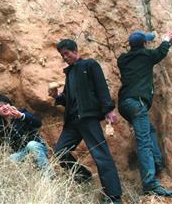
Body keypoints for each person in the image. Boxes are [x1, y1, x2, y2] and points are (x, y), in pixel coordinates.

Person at [49, 39, 122, 204]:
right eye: (62, 55)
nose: (65, 57)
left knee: (101, 156)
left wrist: (108, 109)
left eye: (67, 53)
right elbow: (68, 99)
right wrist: (57, 97)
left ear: (75, 51)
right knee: (60, 151)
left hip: (88, 118)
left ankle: (114, 198)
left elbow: (101, 86)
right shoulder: (70, 73)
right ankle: (84, 176)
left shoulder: (89, 65)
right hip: (73, 122)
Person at [117, 30, 172, 197]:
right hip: (137, 104)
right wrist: (166, 40)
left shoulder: (123, 59)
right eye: (146, 42)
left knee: (149, 130)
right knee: (144, 142)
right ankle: (150, 184)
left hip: (125, 105)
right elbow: (161, 52)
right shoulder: (145, 56)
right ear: (144, 44)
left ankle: (157, 162)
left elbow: (140, 50)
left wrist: (144, 41)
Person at [0, 94, 54, 177]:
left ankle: (49, 176)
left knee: (31, 144)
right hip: (23, 153)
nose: (5, 107)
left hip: (37, 146)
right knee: (9, 160)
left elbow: (38, 123)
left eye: (6, 104)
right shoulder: (1, 126)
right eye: (0, 106)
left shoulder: (21, 113)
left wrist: (21, 116)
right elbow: (3, 147)